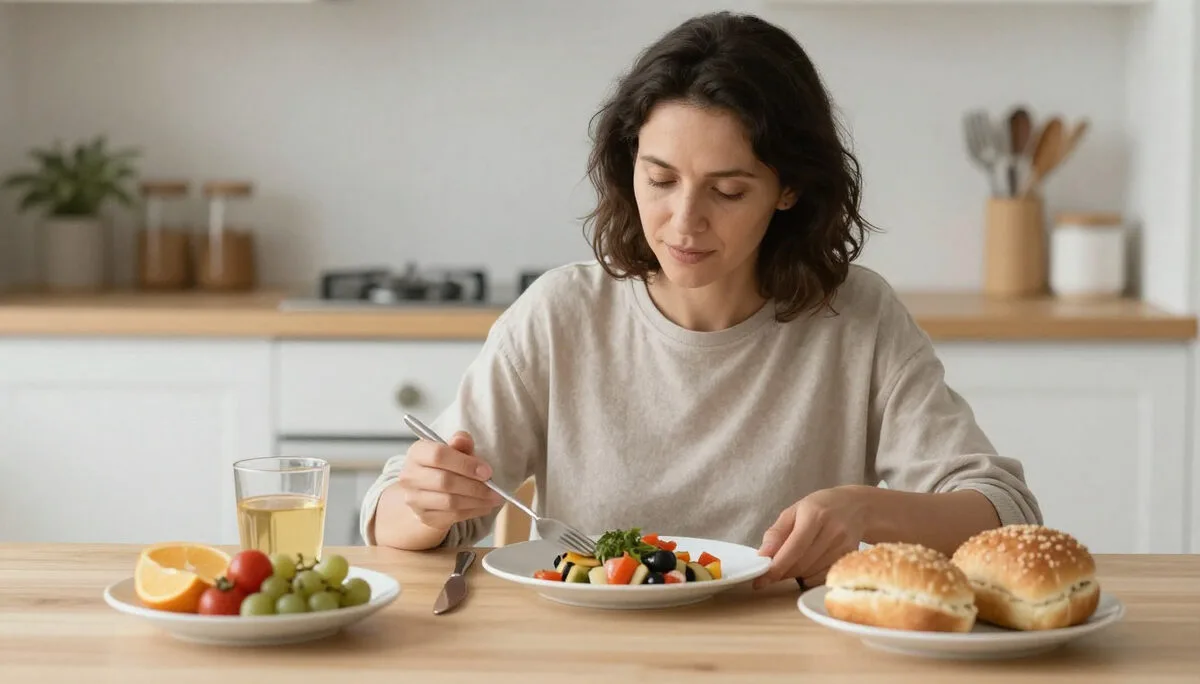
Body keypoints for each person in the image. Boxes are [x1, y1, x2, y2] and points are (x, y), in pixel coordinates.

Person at [359, 11, 1042, 589]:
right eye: (660, 179)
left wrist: (867, 511)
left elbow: (1005, 511)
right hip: (597, 658)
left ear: (790, 189)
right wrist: (426, 501)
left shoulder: (856, 318)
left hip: (787, 658)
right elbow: (389, 517)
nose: (684, 223)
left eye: (728, 191)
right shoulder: (561, 315)